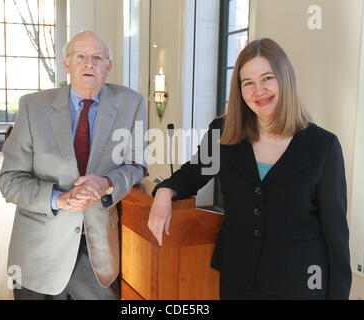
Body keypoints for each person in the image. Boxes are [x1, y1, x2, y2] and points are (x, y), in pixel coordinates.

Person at [148, 38, 351, 300]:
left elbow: (336, 235)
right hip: (238, 283)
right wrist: (163, 193)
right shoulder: (222, 133)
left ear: (285, 79)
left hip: (301, 285)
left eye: (267, 78)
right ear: (239, 90)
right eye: (248, 83)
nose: (259, 91)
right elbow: (191, 174)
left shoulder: (323, 146)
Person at [0, 31, 147, 300]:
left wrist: (108, 182)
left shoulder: (131, 104)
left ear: (108, 66)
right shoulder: (33, 107)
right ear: (67, 64)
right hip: (38, 255)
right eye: (81, 56)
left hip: (98, 253)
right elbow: (9, 180)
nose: (89, 63)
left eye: (97, 57)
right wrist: (59, 199)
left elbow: (137, 165)